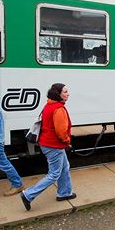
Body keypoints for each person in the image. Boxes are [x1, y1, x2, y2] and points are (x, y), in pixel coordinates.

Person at [20, 83, 75, 211]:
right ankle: (28, 195)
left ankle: (64, 192)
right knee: (54, 174)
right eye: (65, 92)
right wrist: (67, 141)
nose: (68, 94)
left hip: (48, 143)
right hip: (54, 145)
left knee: (64, 167)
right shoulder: (58, 109)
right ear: (58, 94)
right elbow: (61, 132)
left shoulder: (49, 105)